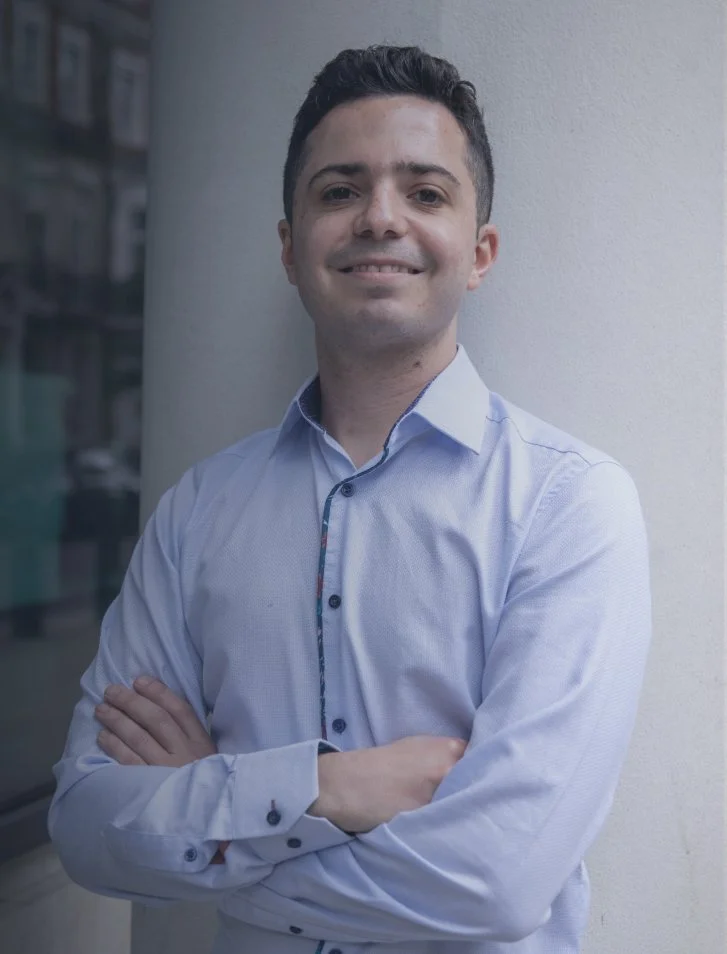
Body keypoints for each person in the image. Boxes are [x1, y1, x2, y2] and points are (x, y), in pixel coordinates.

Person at [48, 45, 651, 954]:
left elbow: (494, 882)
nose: (379, 218)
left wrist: (223, 813)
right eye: (338, 191)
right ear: (290, 249)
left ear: (479, 252)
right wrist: (325, 789)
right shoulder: (198, 513)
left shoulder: (569, 505)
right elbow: (90, 823)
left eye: (425, 192)